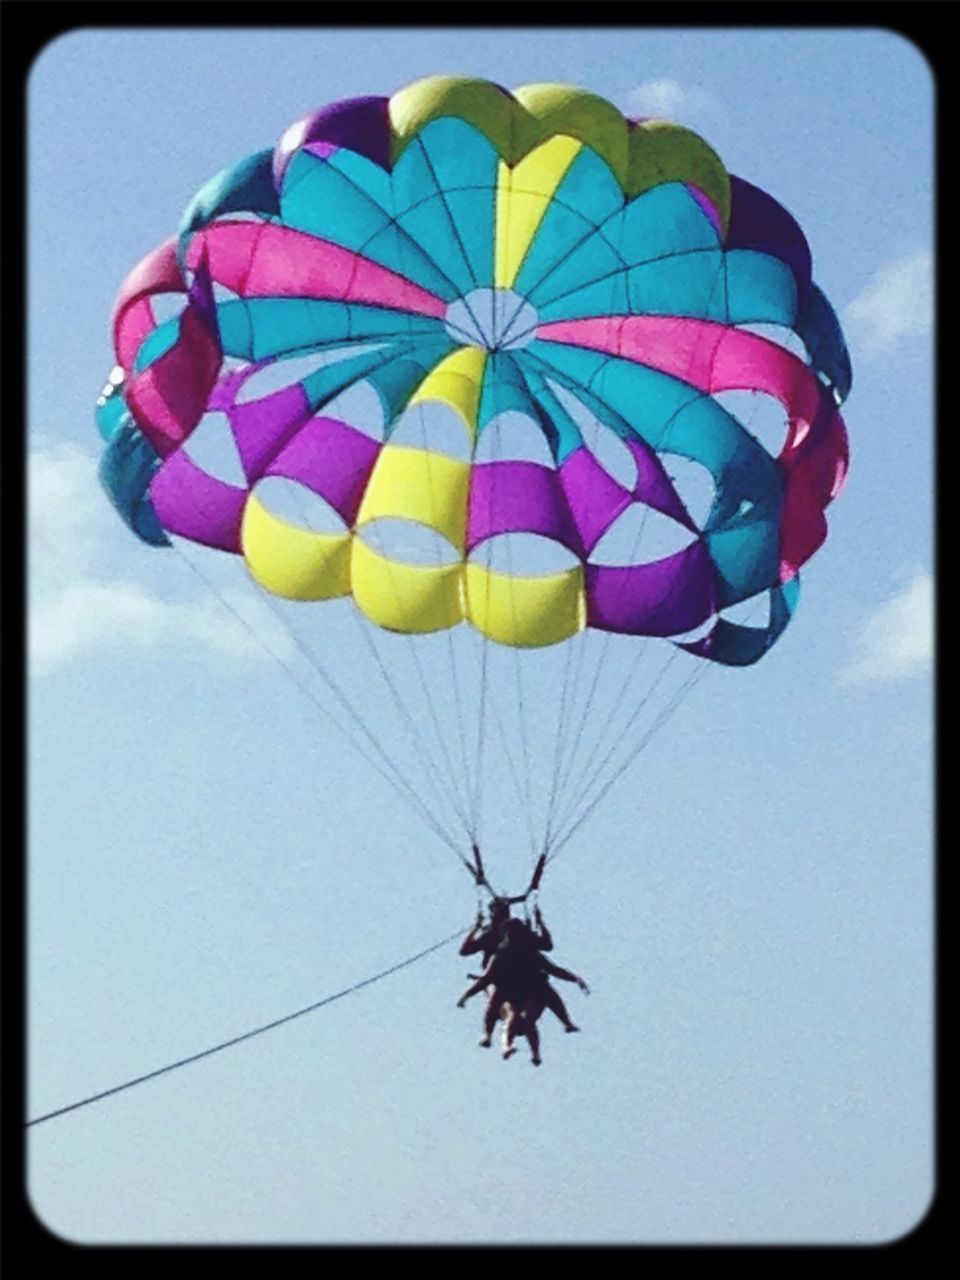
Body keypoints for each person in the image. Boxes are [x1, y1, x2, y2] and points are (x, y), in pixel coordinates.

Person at [457, 918, 589, 1065]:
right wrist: (466, 996)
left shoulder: (533, 955)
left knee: (530, 1014)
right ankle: (497, 1040)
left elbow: (554, 970)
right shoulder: (500, 956)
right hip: (510, 994)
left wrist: (575, 979)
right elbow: (486, 979)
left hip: (532, 993)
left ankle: (557, 1031)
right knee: (506, 1006)